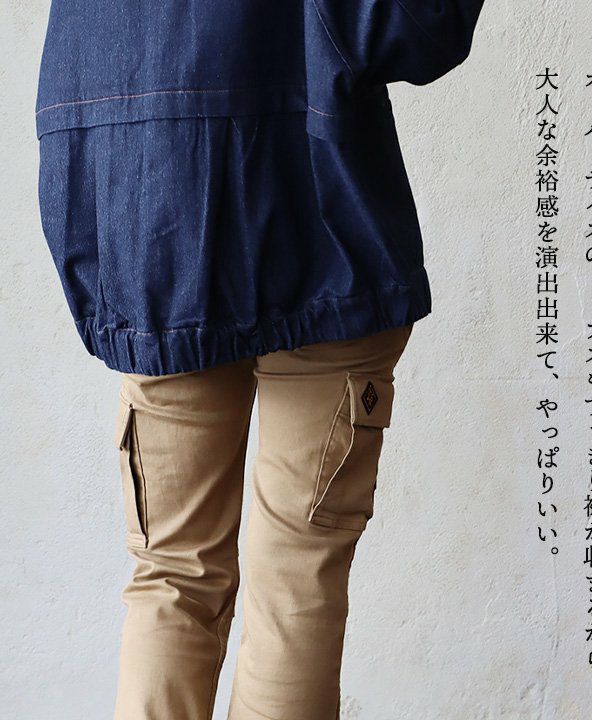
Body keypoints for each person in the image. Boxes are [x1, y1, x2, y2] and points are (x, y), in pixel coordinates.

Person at [34, 2, 486, 718]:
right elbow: (416, 28)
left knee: (171, 575)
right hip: (323, 229)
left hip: (154, 238)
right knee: (296, 582)